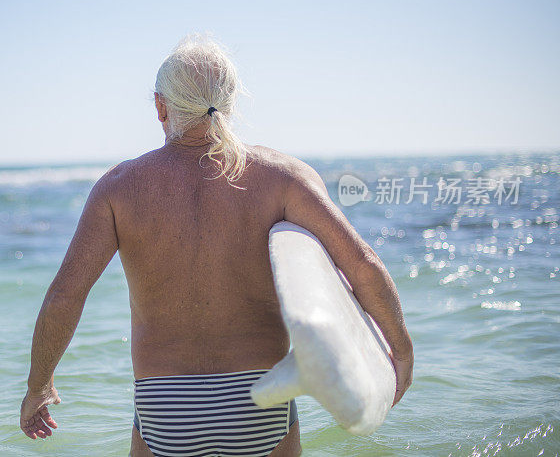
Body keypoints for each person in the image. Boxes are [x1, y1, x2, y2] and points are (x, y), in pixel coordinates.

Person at [20, 35, 414, 456]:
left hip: (164, 405)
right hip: (260, 398)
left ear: (160, 105)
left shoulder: (118, 188)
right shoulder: (283, 177)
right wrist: (400, 352)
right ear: (229, 104)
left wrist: (38, 385)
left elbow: (67, 294)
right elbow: (362, 263)